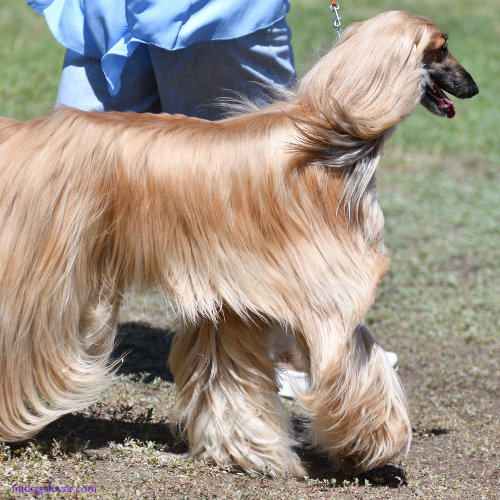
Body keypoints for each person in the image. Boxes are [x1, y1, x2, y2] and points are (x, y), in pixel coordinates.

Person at [28, 0, 398, 396]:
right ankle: (35, 369)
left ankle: (293, 354)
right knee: (57, 220)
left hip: (215, 16)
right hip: (107, 15)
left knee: (258, 217)